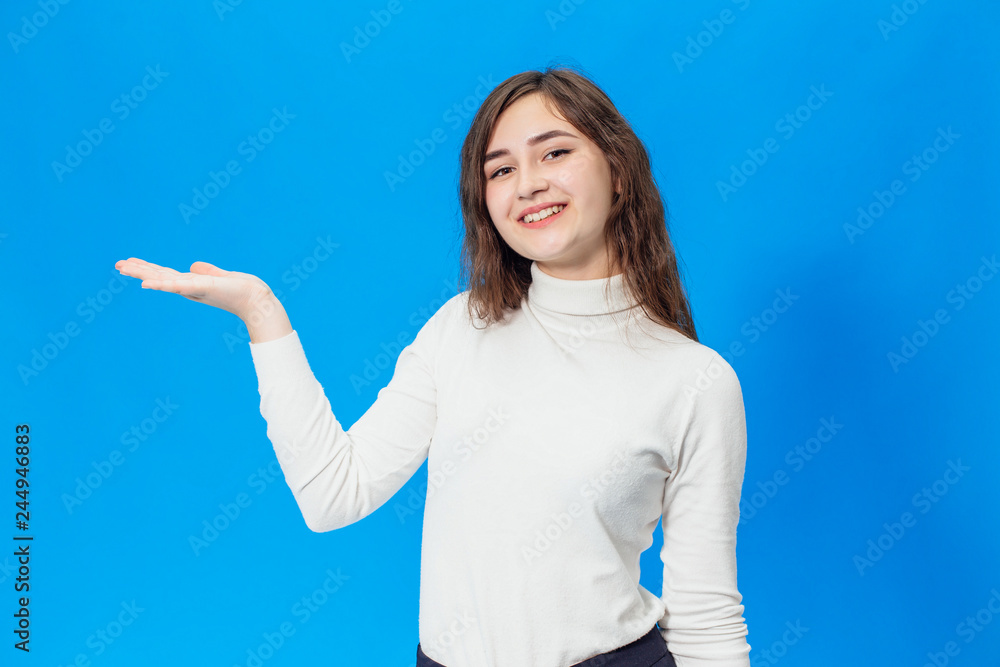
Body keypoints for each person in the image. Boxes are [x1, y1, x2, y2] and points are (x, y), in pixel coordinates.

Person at [115, 65, 751, 667]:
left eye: (554, 152)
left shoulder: (695, 381)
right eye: (500, 170)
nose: (528, 182)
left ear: (618, 172)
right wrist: (262, 314)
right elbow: (333, 495)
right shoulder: (461, 328)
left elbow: (705, 614)